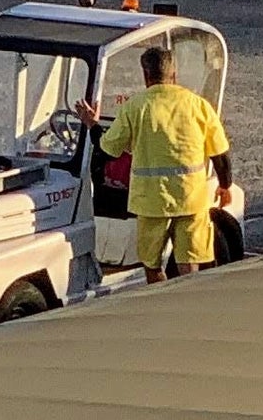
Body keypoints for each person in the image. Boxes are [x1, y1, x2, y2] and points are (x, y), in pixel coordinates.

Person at [97, 45, 232, 282]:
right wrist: (224, 185)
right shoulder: (198, 105)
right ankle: (186, 307)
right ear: (174, 75)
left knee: (152, 264)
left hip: (151, 202)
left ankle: (157, 302)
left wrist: (92, 125)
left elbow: (108, 149)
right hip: (190, 198)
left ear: (146, 76)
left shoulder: (134, 107)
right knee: (189, 265)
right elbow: (220, 155)